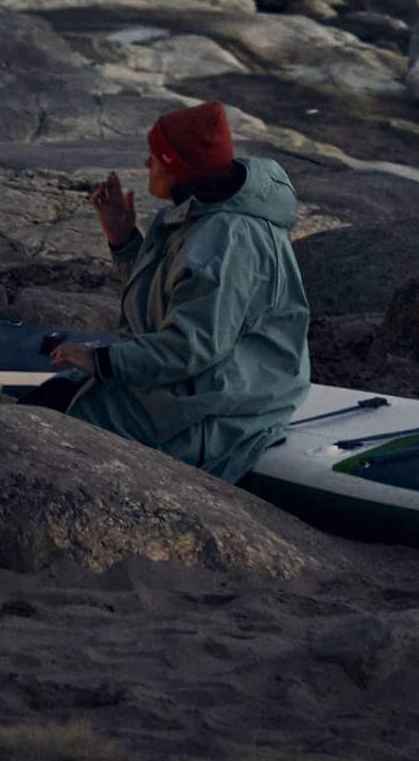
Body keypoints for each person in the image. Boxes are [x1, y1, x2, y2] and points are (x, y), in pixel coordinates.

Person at [42, 101, 312, 482]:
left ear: (179, 167)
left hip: (226, 398)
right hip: (197, 379)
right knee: (51, 402)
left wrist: (102, 360)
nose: (146, 166)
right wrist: (124, 242)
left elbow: (191, 347)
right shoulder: (198, 213)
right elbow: (171, 298)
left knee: (67, 435)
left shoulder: (227, 242)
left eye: (155, 158)